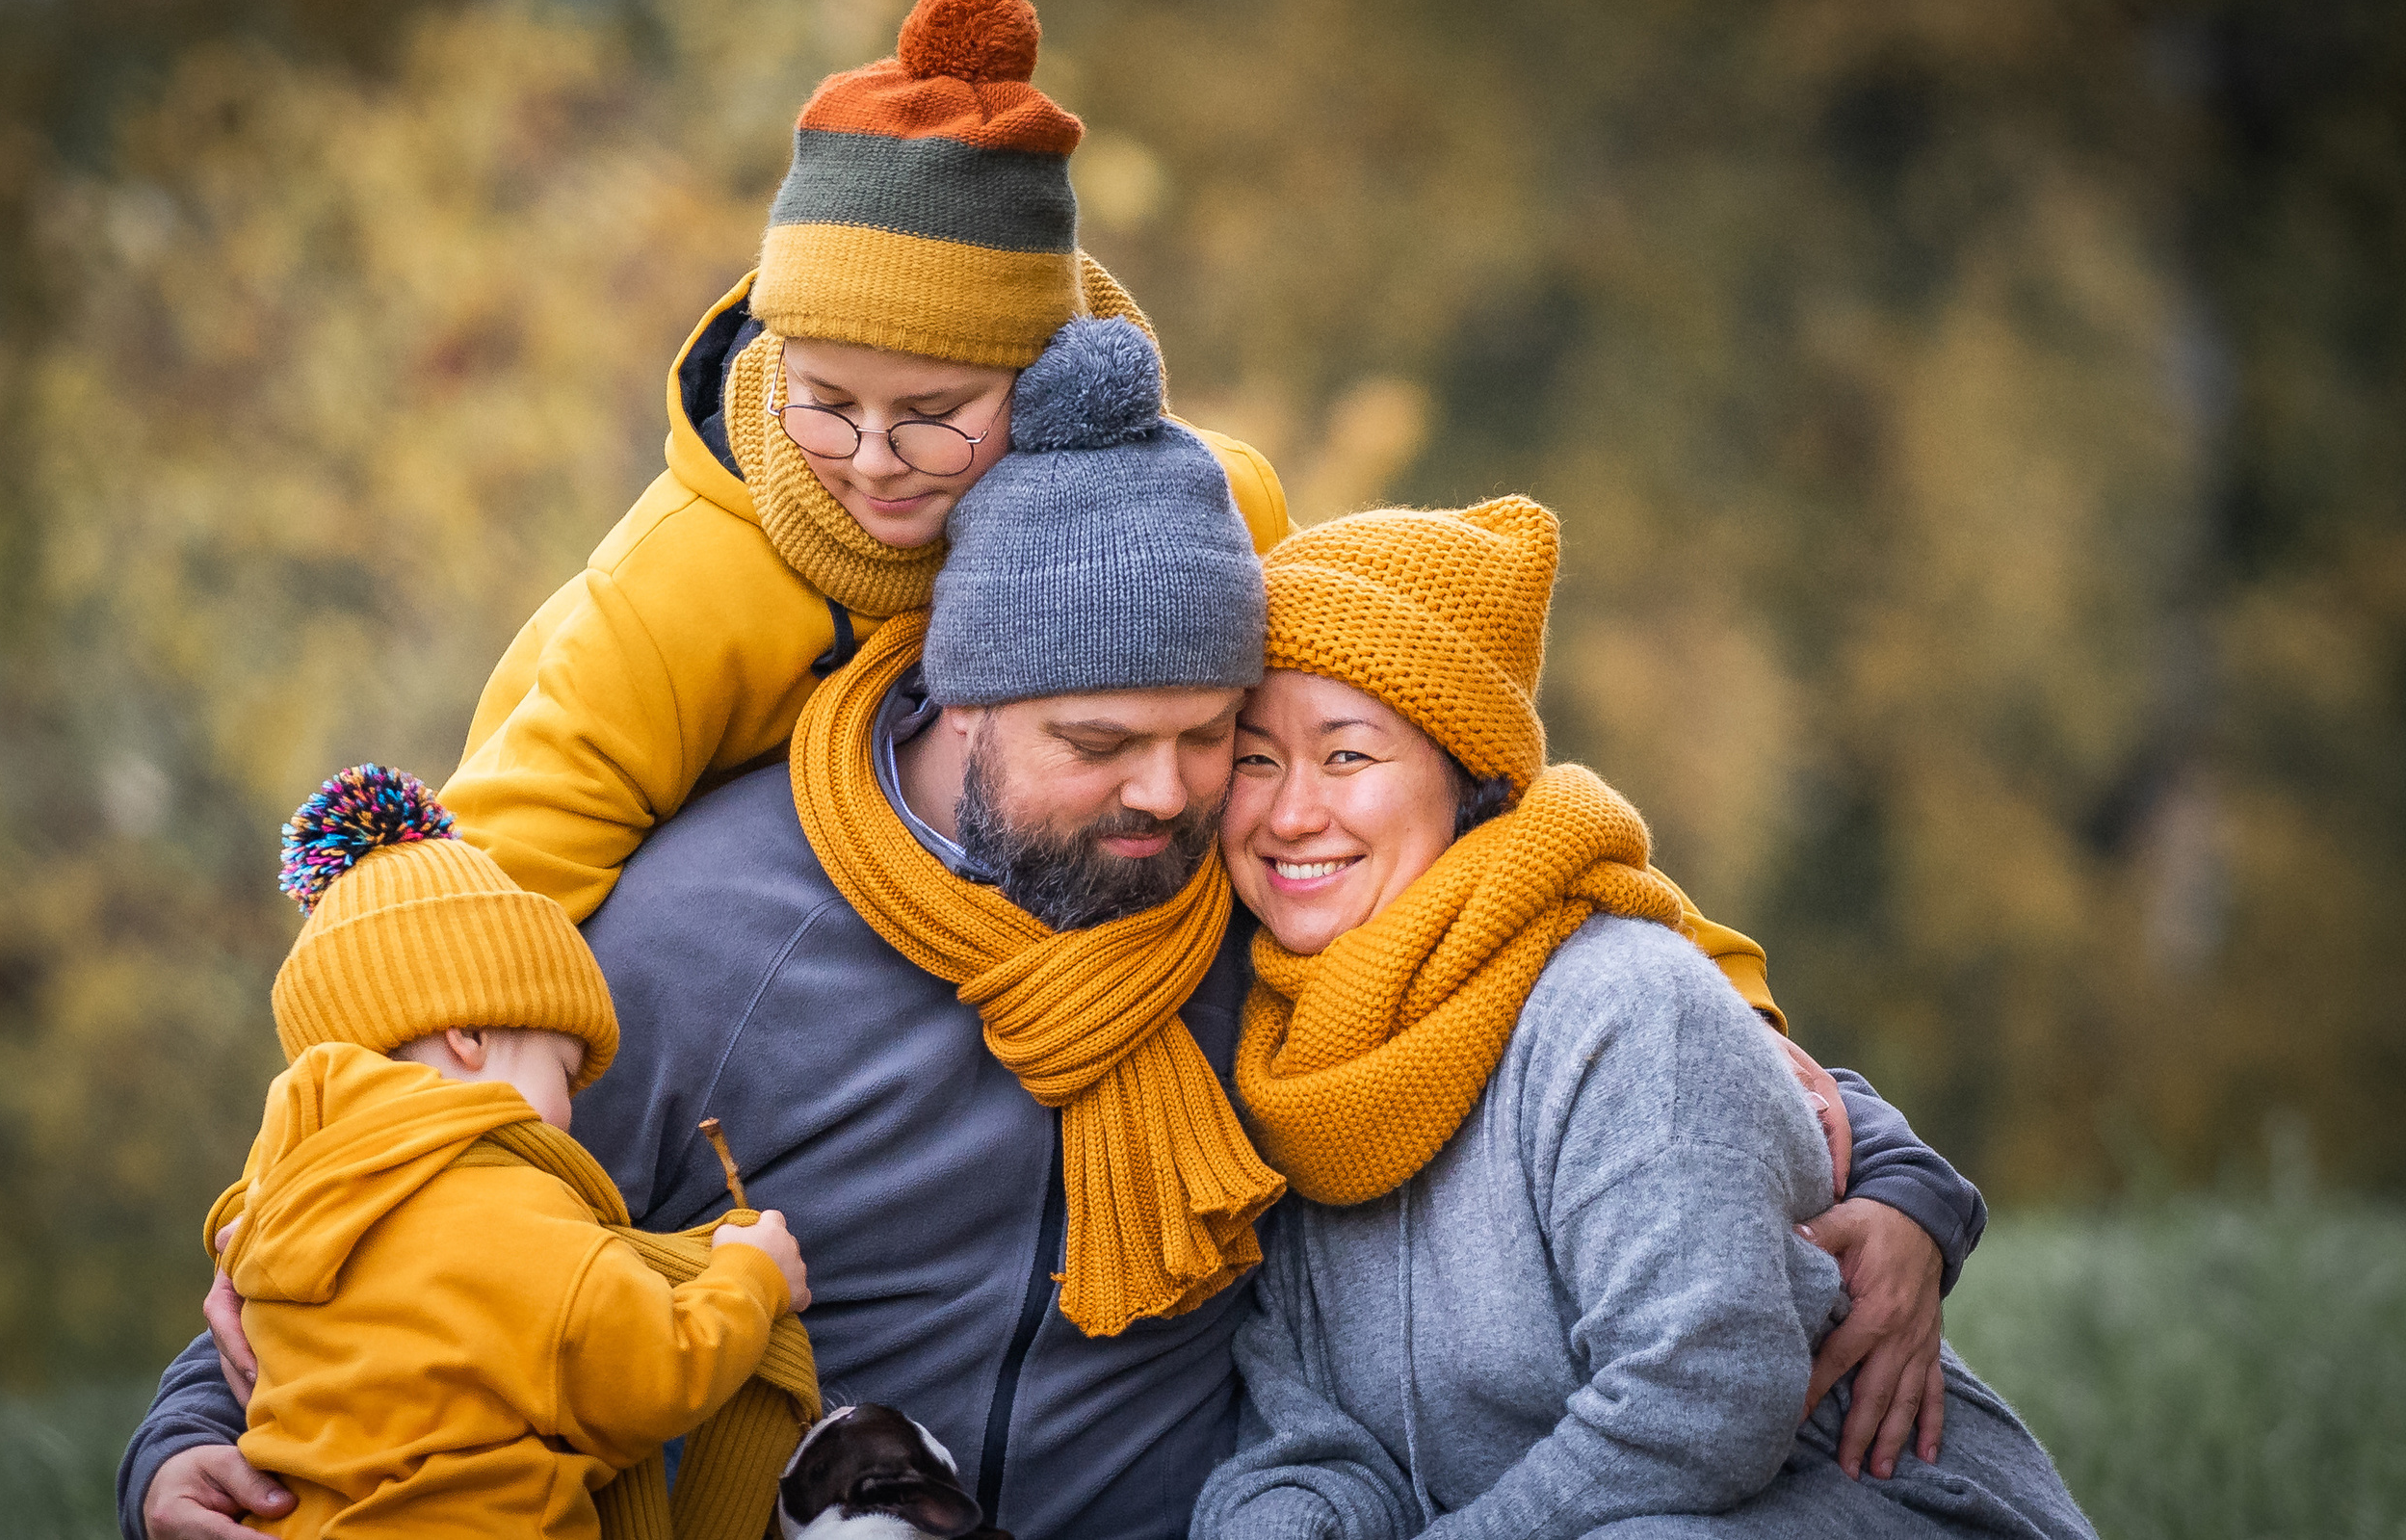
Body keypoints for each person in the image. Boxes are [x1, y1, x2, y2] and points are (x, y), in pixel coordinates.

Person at [120, 325, 1977, 1540]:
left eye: (1211, 736)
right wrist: (181, 1438)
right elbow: (407, 1182)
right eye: (1103, 749)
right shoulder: (705, 935)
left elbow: (1588, 976)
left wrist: (1894, 1185)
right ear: (957, 696)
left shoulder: (1253, 890)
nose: (1175, 797)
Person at [1191, 500, 2095, 1539]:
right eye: (1256, 760)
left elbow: (1695, 1406)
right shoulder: (1278, 1060)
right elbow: (1306, 1442)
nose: (1290, 812)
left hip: (1869, 1503)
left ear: (1465, 778)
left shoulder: (1619, 1007)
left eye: (1346, 757)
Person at [437, 0, 1290, 924]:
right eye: (825, 400)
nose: (874, 457)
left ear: (1053, 377)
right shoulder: (682, 586)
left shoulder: (1209, 515)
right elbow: (492, 885)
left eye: (933, 412)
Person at [188, 764, 816, 1539]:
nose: (567, 1117)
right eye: (562, 1073)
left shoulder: (279, 1217)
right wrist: (753, 1277)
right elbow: (653, 1374)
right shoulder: (508, 1212)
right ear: (471, 1035)